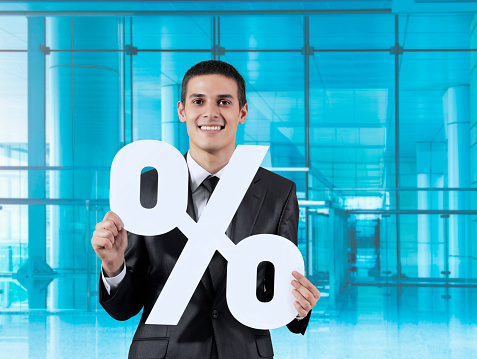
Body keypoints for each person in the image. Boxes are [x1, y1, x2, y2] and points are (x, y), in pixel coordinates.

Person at [91, 60, 320, 359]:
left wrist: (298, 307)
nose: (210, 112)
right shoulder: (144, 188)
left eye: (224, 102)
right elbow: (124, 309)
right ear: (182, 111)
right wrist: (114, 266)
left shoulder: (279, 193)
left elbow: (276, 294)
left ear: (242, 112)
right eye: (198, 101)